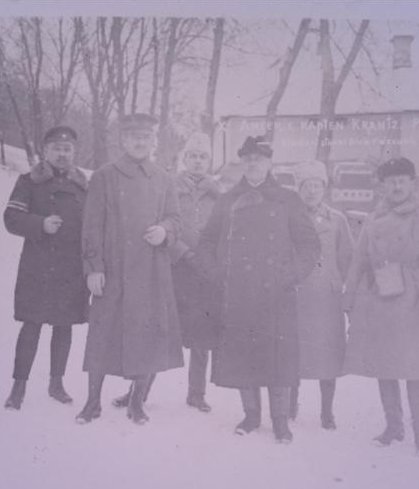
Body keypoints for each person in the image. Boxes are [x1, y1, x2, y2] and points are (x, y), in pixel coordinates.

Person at [194, 136, 321, 443]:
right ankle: (251, 415)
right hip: (237, 293)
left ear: (270, 163)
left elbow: (309, 245)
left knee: (278, 357)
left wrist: (291, 275)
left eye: (260, 158)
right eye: (248, 158)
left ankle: (280, 421)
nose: (253, 163)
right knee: (242, 354)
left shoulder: (288, 199)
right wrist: (216, 274)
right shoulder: (227, 200)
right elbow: (206, 243)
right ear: (242, 162)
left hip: (276, 292)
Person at [77, 113, 184, 425]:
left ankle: (137, 402)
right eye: (134, 136)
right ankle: (92, 402)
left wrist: (165, 230)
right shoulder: (104, 176)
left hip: (152, 272)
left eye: (146, 136)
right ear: (123, 140)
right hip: (113, 269)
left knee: (148, 336)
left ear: (154, 142)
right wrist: (93, 267)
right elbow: (91, 225)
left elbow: (176, 219)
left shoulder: (164, 179)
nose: (140, 142)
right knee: (102, 333)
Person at [342, 157, 419, 455]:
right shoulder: (373, 218)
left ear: (412, 183)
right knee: (385, 367)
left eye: (402, 180)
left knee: (417, 371)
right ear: (383, 186)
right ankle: (393, 427)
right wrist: (349, 298)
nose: (396, 186)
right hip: (379, 298)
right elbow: (359, 261)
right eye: (391, 181)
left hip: (414, 302)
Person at [112, 132, 222, 413]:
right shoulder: (167, 185)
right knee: (158, 330)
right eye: (193, 156)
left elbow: (222, 231)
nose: (198, 161)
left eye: (203, 157)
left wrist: (209, 260)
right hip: (172, 267)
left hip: (205, 272)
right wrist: (182, 252)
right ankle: (139, 392)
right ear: (184, 159)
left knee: (201, 336)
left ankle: (196, 394)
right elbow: (160, 222)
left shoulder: (217, 193)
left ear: (209, 161)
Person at [3, 126, 90, 410]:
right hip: (37, 268)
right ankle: (18, 388)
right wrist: (39, 224)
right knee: (31, 326)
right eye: (56, 149)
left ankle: (56, 383)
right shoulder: (29, 181)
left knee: (64, 327)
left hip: (71, 269)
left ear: (74, 153)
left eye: (67, 149)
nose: (62, 154)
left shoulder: (83, 185)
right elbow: (11, 218)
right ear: (46, 151)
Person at [290, 160, 354, 430]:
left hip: (327, 302)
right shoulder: (289, 217)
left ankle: (327, 412)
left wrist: (338, 283)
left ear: (324, 188)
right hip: (297, 298)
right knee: (294, 353)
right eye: (306, 186)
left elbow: (348, 258)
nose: (312, 191)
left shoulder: (337, 220)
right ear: (299, 189)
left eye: (317, 186)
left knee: (328, 356)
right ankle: (291, 406)